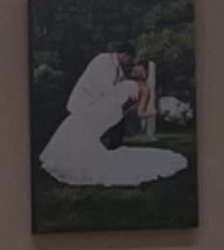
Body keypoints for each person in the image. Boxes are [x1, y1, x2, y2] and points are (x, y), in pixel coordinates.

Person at [37, 47, 187, 189]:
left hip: (109, 112)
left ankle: (77, 162)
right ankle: (68, 158)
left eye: (139, 66)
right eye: (135, 64)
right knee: (76, 125)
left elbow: (140, 112)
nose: (134, 67)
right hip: (104, 108)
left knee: (81, 127)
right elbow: (113, 93)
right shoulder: (121, 75)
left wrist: (158, 112)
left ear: (146, 72)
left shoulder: (144, 89)